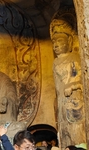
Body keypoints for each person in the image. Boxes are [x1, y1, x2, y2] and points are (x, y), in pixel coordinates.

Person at [50, 18, 85, 147]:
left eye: (60, 40)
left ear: (69, 42)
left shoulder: (74, 58)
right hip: (61, 103)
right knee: (64, 133)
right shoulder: (55, 62)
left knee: (76, 132)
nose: (56, 45)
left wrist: (73, 86)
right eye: (54, 41)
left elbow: (82, 80)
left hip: (74, 101)